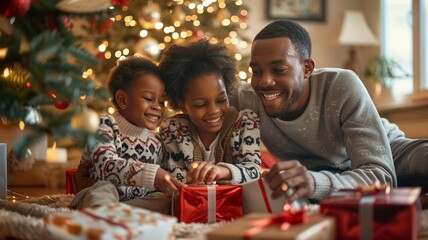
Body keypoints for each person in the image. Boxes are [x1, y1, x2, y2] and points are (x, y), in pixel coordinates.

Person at [231, 20, 428, 203]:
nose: (264, 81)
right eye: (256, 71)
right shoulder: (246, 98)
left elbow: (380, 175)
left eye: (279, 69)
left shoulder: (341, 83)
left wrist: (315, 182)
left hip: (384, 152)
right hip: (323, 171)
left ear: (307, 69)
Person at [69, 56, 184, 214]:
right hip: (101, 195)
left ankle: (118, 216)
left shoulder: (156, 140)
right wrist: (154, 174)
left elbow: (166, 174)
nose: (158, 107)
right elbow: (106, 167)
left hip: (136, 202)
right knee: (103, 189)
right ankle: (103, 219)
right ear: (123, 100)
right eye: (149, 99)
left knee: (165, 199)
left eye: (161, 101)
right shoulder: (103, 125)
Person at [158, 39, 262, 185]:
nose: (214, 110)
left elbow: (254, 171)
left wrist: (222, 171)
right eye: (200, 104)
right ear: (182, 104)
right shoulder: (173, 129)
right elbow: (175, 179)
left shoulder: (245, 122)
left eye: (221, 100)